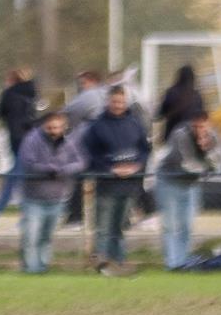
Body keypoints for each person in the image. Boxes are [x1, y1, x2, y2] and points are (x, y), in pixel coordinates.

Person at [83, 87, 152, 271]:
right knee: (103, 228)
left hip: (129, 185)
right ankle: (102, 265)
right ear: (108, 101)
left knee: (120, 227)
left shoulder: (135, 123)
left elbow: (145, 150)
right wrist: (110, 169)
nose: (118, 105)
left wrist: (136, 166)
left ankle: (119, 262)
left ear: (125, 102)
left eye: (121, 102)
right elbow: (89, 154)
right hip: (106, 185)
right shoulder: (97, 126)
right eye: (114, 102)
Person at [17, 112, 86, 273]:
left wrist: (64, 170)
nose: (54, 131)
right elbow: (28, 163)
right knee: (31, 236)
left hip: (57, 198)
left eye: (57, 128)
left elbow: (81, 162)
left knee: (46, 236)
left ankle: (42, 267)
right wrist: (48, 170)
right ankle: (30, 269)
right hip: (33, 198)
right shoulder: (31, 140)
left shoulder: (69, 142)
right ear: (44, 125)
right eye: (50, 127)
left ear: (63, 127)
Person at [155, 110, 219, 269]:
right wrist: (206, 166)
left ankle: (183, 262)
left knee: (187, 225)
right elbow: (187, 164)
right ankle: (172, 263)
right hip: (169, 182)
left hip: (190, 184)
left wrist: (206, 148)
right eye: (196, 126)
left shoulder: (212, 136)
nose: (199, 130)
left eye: (203, 126)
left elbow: (217, 162)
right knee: (171, 225)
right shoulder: (181, 134)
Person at [0, 68, 38, 227]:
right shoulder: (31, 94)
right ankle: (23, 214)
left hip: (17, 138)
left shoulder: (10, 94)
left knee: (15, 176)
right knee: (19, 176)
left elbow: (0, 112)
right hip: (30, 137)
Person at [60, 70, 105, 227]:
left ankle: (76, 216)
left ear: (92, 81)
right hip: (105, 144)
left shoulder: (89, 95)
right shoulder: (106, 93)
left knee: (79, 177)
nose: (80, 86)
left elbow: (69, 113)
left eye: (83, 82)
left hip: (88, 144)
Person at [157, 64, 204, 143]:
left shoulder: (171, 92)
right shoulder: (197, 96)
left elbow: (160, 114)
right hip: (191, 138)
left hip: (172, 136)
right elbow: (201, 117)